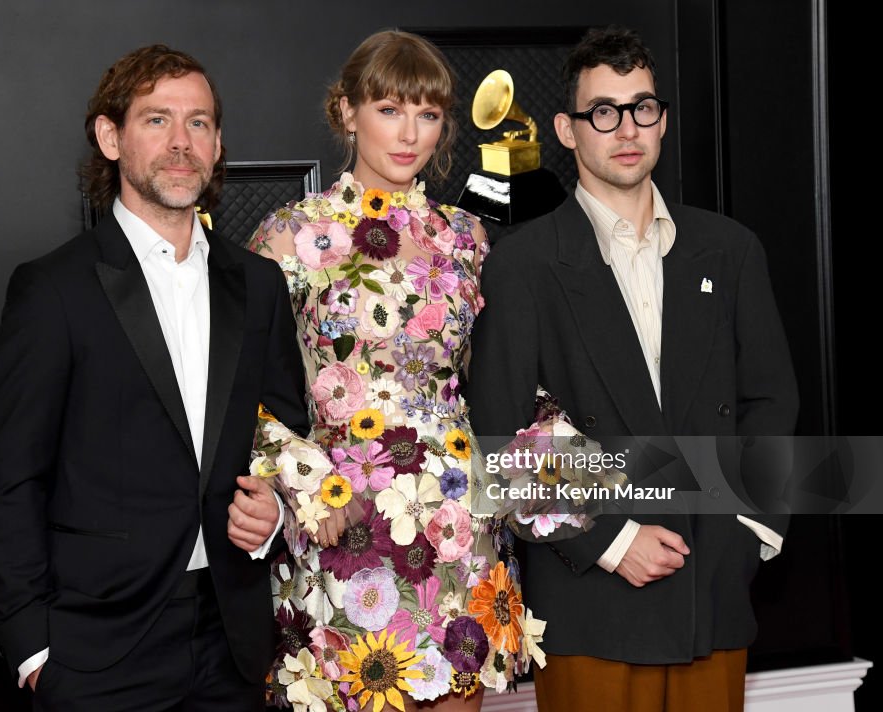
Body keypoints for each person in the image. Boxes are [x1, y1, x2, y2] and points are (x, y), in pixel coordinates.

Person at [247, 30, 617, 712]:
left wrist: (607, 495)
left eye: (428, 113)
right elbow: (239, 387)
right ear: (346, 110)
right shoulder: (290, 235)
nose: (409, 132)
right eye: (390, 109)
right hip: (346, 526)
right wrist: (307, 481)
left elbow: (503, 382)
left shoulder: (465, 239)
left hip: (457, 529)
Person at [468, 26, 799, 712]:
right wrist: (614, 541)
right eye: (603, 112)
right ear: (567, 129)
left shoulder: (730, 250)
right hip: (593, 601)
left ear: (663, 120)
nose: (626, 129)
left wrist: (748, 534)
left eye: (642, 108)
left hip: (711, 589)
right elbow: (500, 432)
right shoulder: (523, 264)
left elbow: (770, 401)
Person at [0, 44, 308, 711]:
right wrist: (33, 649)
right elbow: (12, 480)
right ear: (110, 136)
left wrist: (274, 509)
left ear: (217, 144)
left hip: (232, 638)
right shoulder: (53, 289)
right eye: (157, 120)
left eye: (200, 123)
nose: (182, 142)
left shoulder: (259, 284)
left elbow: (283, 432)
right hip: (97, 647)